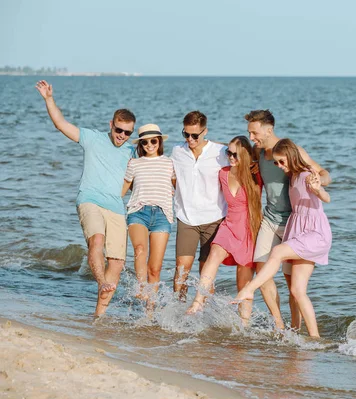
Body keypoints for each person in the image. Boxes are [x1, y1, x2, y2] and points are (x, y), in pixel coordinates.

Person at [35, 80, 136, 318]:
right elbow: (61, 124)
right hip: (89, 199)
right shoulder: (92, 138)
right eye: (118, 130)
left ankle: (98, 316)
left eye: (127, 132)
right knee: (97, 242)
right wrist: (49, 99)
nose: (121, 136)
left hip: (115, 207)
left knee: (118, 263)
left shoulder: (132, 150)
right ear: (111, 125)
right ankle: (101, 282)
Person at [234, 139, 332, 337]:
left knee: (277, 252)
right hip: (298, 231)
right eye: (276, 163)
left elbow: (326, 197)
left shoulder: (305, 175)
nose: (279, 166)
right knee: (297, 290)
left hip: (314, 233)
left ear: (291, 157)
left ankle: (249, 289)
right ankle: (315, 338)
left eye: (281, 162)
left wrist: (318, 187)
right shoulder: (293, 175)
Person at [186, 136, 262, 324]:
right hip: (229, 225)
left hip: (248, 230)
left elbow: (266, 153)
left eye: (236, 154)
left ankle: (244, 324)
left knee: (242, 282)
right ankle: (198, 302)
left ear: (245, 155)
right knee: (213, 255)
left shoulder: (256, 175)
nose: (231, 157)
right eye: (228, 153)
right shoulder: (223, 173)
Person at [171, 111, 229, 301]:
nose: (190, 139)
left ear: (205, 131)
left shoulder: (220, 153)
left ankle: (204, 314)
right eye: (186, 134)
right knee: (182, 268)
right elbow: (172, 178)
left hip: (214, 218)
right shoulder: (177, 152)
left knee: (207, 272)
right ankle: (177, 309)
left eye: (194, 135)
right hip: (186, 218)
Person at [121, 124, 174, 310]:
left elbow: (179, 188)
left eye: (153, 141)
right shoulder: (134, 163)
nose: (150, 145)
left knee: (155, 268)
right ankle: (141, 288)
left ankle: (149, 312)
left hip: (162, 215)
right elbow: (122, 190)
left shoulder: (169, 163)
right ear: (140, 144)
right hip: (138, 212)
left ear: (159, 141)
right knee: (140, 250)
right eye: (145, 142)